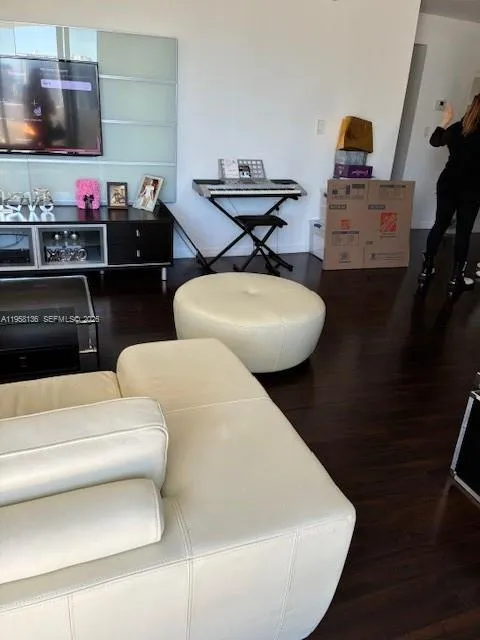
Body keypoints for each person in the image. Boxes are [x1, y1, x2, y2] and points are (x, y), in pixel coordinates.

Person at [418, 94, 480, 297]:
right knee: (463, 231)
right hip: (472, 188)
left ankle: (426, 270)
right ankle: (456, 277)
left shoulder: (458, 128)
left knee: (440, 224)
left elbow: (435, 141)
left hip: (448, 183)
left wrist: (445, 119)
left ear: (472, 107)